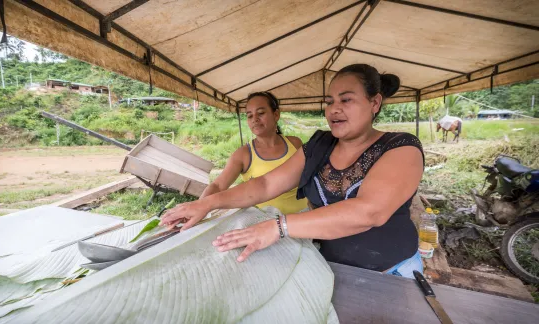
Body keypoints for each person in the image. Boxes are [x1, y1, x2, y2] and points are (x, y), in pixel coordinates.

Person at [162, 64, 424, 278]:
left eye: (346, 100)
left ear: (375, 102)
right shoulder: (320, 145)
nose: (334, 109)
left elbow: (369, 211)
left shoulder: (400, 147)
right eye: (329, 101)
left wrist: (279, 226)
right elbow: (265, 185)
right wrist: (208, 203)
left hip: (392, 273)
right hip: (328, 269)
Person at [200, 91, 307, 215]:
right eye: (250, 116)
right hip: (264, 226)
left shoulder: (294, 143)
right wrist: (198, 205)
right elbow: (218, 186)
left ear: (276, 114)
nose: (255, 119)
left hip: (302, 221)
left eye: (261, 113)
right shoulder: (243, 154)